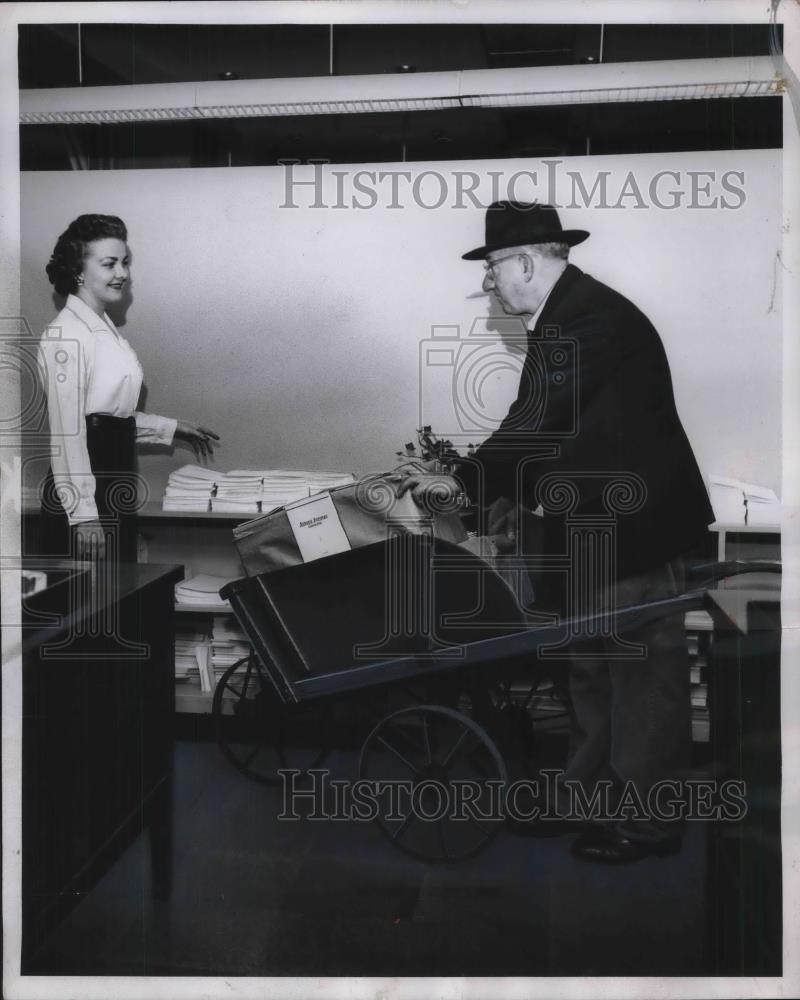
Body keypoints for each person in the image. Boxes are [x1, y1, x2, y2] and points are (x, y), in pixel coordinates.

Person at [400, 201, 714, 864]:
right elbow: (548, 427)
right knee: (594, 675)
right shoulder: (569, 318)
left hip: (634, 534)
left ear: (523, 261)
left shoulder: (589, 319)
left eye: (491, 269)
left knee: (639, 683)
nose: (489, 284)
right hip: (595, 534)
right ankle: (585, 802)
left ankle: (649, 824)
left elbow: (539, 418)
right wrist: (488, 484)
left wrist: (465, 486)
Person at [38, 214, 219, 562]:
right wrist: (84, 516)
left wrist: (170, 427)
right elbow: (69, 433)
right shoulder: (66, 336)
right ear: (78, 270)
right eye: (109, 264)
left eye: (124, 263)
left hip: (110, 485)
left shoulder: (105, 331)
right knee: (86, 609)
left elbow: (110, 418)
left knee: (115, 600)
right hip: (81, 499)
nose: (122, 273)